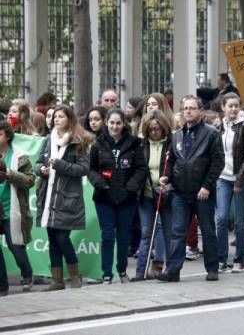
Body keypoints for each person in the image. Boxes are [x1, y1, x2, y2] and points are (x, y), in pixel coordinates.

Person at [157, 96, 224, 282]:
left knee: (208, 231)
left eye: (192, 108)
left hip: (202, 192)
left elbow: (218, 163)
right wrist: (167, 176)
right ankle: (173, 270)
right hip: (180, 191)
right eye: (185, 108)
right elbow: (171, 161)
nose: (188, 111)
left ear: (200, 111)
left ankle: (212, 268)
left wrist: (207, 186)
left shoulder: (211, 134)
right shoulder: (176, 134)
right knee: (178, 231)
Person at [35, 105, 92, 291]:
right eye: (55, 117)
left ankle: (75, 275)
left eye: (61, 116)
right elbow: (37, 163)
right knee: (52, 239)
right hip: (48, 197)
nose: (56, 119)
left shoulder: (78, 141)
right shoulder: (48, 140)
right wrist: (41, 169)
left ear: (69, 119)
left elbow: (83, 169)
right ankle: (56, 280)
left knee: (62, 238)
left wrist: (61, 165)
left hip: (67, 199)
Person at [88, 109, 147, 284]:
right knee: (107, 235)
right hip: (104, 197)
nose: (115, 126)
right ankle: (107, 273)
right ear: (107, 123)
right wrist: (101, 183)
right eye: (112, 123)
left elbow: (141, 169)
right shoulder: (97, 143)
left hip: (126, 198)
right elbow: (91, 169)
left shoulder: (135, 144)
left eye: (118, 123)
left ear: (124, 124)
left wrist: (130, 188)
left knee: (123, 237)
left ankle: (121, 270)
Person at [131, 110, 173, 281]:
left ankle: (171, 270)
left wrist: (168, 178)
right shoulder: (141, 145)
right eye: (151, 129)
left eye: (158, 129)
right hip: (147, 194)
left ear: (163, 128)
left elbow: (176, 166)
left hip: (166, 194)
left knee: (170, 233)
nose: (155, 132)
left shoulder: (171, 144)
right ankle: (141, 272)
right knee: (147, 232)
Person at [216, 93, 244, 273]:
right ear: (223, 107)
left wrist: (239, 179)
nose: (233, 109)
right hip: (223, 178)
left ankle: (240, 258)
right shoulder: (219, 126)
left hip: (241, 179)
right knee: (221, 218)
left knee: (240, 221)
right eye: (230, 106)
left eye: (236, 106)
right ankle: (222, 258)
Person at [0, 121, 35, 295]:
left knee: (15, 245)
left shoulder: (19, 156)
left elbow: (30, 180)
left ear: (7, 136)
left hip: (12, 209)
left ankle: (27, 274)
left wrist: (9, 174)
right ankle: (2, 285)